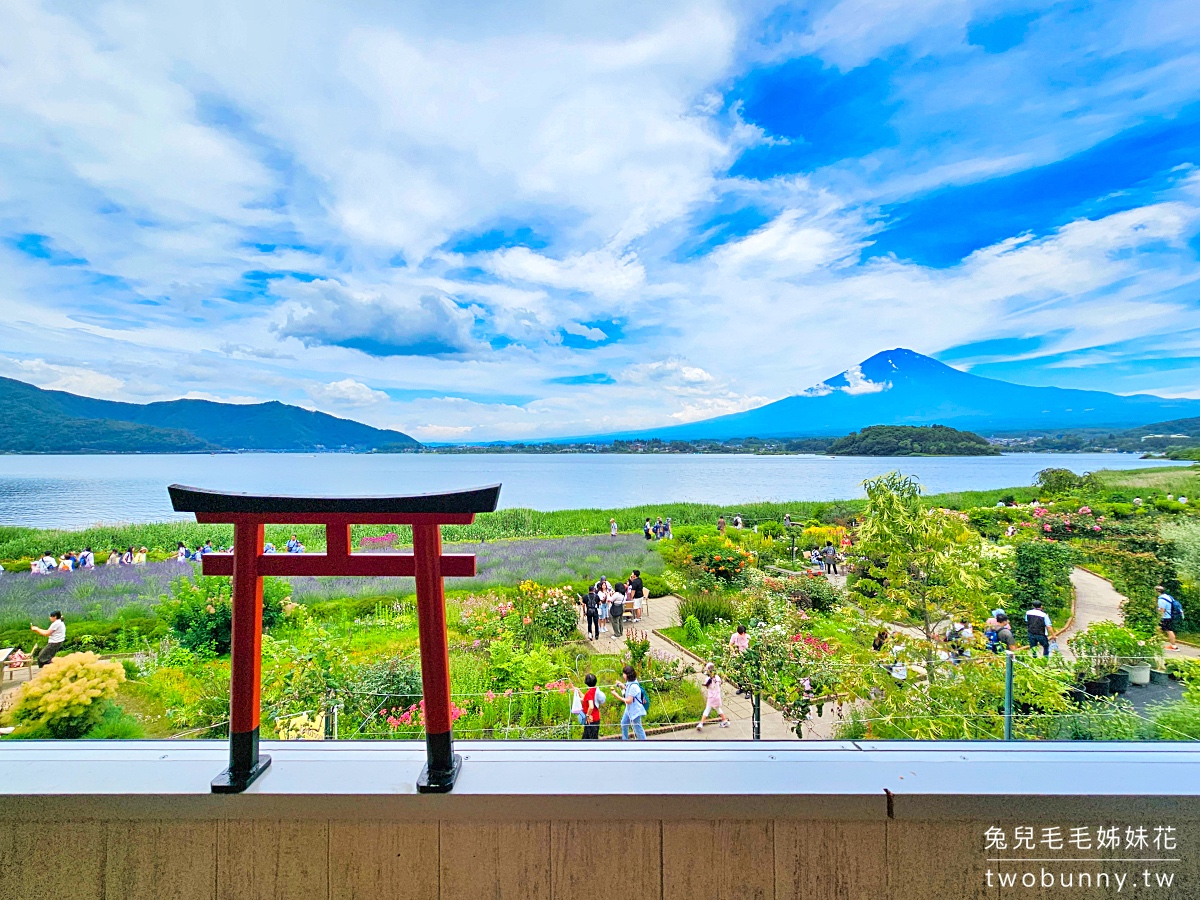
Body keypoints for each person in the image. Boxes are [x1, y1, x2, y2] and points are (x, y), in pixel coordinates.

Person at [617, 665, 647, 740]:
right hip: (629, 709)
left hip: (635, 710)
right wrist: (621, 685)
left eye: (624, 673)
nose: (623, 675)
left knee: (638, 729)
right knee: (624, 723)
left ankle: (645, 744)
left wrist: (616, 696)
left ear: (627, 675)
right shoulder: (631, 682)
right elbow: (628, 689)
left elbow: (629, 701)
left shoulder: (634, 686)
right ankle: (625, 740)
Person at [697, 663, 729, 730]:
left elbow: (707, 685)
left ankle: (701, 723)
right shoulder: (717, 677)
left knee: (707, 710)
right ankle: (725, 721)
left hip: (711, 697)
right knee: (717, 709)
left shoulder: (708, 679)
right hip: (717, 696)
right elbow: (720, 683)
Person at [1158, 585, 1181, 651]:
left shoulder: (1161, 599)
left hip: (1165, 617)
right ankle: (1173, 646)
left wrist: (1158, 618)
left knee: (1167, 630)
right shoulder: (1168, 596)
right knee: (1167, 630)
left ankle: (1174, 646)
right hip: (1170, 616)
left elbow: (1162, 610)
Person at [730, 624, 750, 696]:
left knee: (746, 673)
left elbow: (749, 646)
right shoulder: (734, 636)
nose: (742, 634)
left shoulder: (747, 637)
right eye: (740, 633)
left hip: (745, 655)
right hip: (738, 656)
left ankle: (748, 690)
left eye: (743, 633)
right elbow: (730, 645)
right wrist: (734, 651)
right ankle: (741, 687)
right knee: (738, 672)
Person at [581, 673, 602, 740]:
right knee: (587, 738)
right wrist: (578, 691)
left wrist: (587, 715)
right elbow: (586, 698)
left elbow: (591, 706)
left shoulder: (589, 692)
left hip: (591, 720)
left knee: (591, 740)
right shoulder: (595, 690)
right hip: (596, 718)